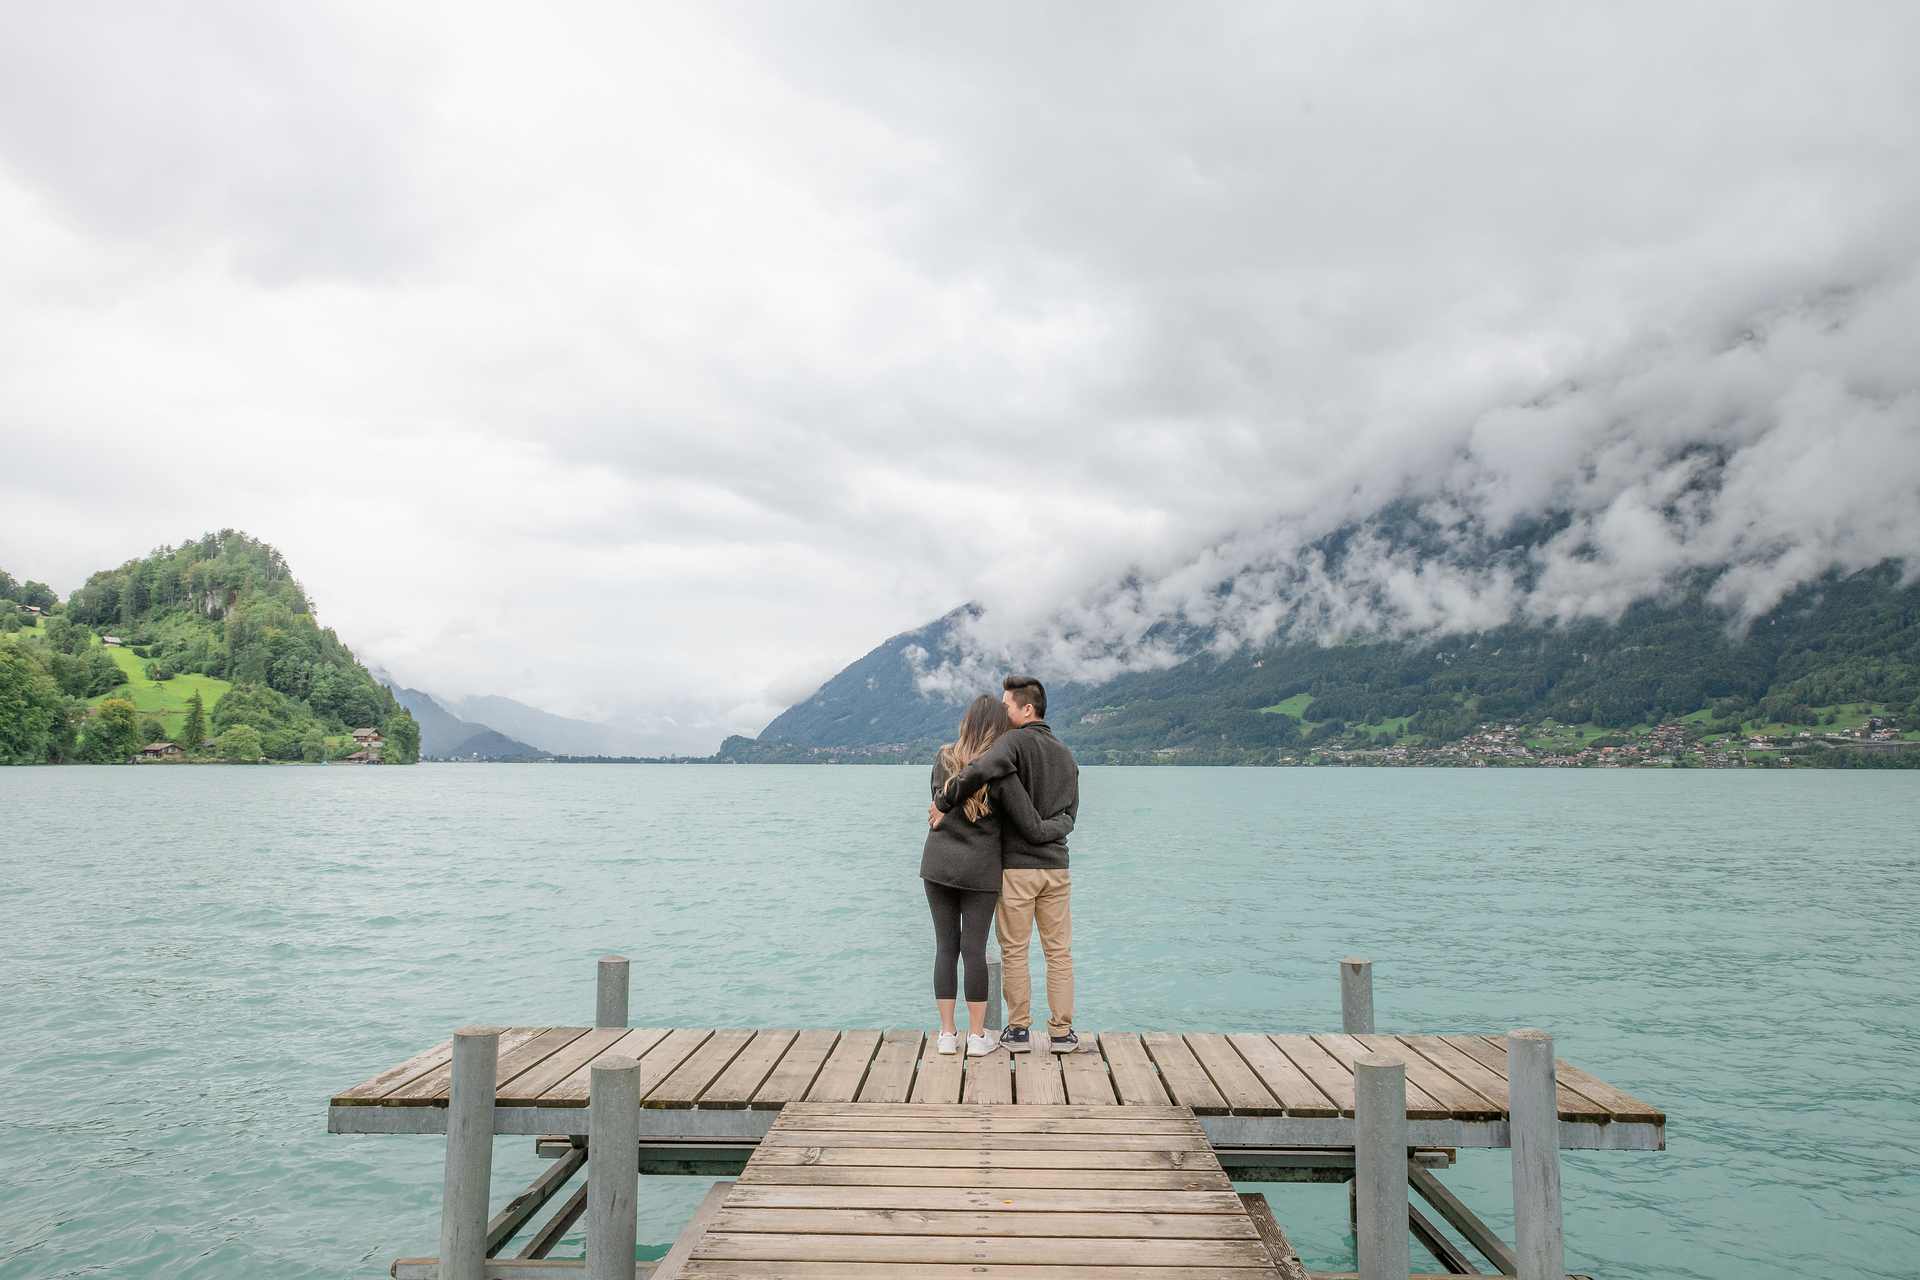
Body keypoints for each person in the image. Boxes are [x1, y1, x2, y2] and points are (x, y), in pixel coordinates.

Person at [930, 675, 1080, 1054]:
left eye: (1009, 705)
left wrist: (944, 802)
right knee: (1057, 952)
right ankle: (1061, 1034)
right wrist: (1055, 830)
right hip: (1054, 866)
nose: (1005, 713)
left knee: (1010, 950)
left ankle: (1013, 1032)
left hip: (1012, 867)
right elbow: (1070, 815)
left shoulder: (1005, 746)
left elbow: (980, 774)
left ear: (1026, 708)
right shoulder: (1066, 754)